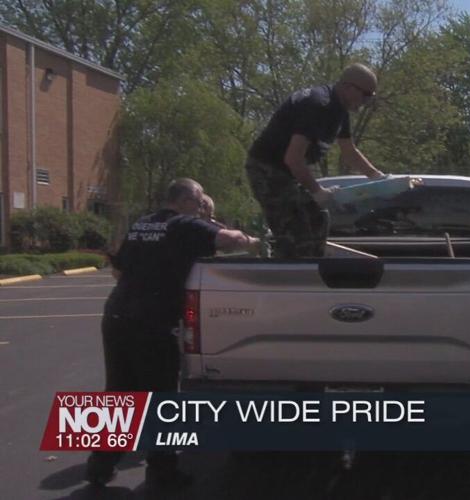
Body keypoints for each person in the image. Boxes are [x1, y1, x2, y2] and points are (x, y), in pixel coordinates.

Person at [86, 178, 261, 489]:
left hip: (117, 315)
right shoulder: (184, 224)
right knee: (162, 397)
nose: (200, 209)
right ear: (185, 201)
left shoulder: (142, 224)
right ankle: (163, 471)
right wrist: (250, 239)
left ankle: (99, 466)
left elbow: (119, 269)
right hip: (152, 322)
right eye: (199, 203)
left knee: (118, 391)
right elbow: (228, 240)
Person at [245, 62, 385, 258]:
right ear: (348, 87)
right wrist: (317, 190)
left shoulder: (340, 110)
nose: (365, 102)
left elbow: (349, 151)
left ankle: (312, 266)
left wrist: (377, 177)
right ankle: (289, 270)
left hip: (287, 172)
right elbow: (293, 158)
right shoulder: (318, 105)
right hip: (267, 169)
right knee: (295, 230)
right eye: (366, 95)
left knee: (318, 218)